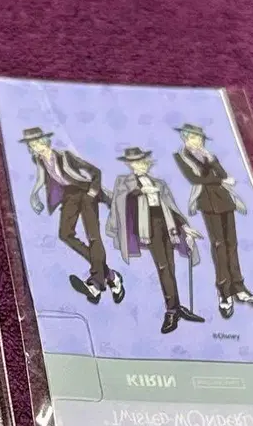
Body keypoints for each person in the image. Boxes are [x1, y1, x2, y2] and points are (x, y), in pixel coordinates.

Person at [172, 123, 253, 319]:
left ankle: (239, 288)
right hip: (208, 202)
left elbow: (224, 174)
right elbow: (194, 179)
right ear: (185, 138)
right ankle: (224, 292)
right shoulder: (181, 156)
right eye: (194, 137)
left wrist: (213, 162)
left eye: (200, 138)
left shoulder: (209, 155)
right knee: (218, 245)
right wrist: (219, 180)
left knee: (231, 244)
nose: (198, 141)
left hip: (224, 200)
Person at [106, 147, 205, 333]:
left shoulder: (159, 183)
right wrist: (141, 191)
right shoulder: (125, 182)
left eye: (142, 161)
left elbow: (171, 207)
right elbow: (121, 200)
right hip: (148, 226)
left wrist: (185, 227)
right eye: (136, 162)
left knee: (170, 267)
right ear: (130, 164)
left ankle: (176, 307)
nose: (140, 165)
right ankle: (171, 311)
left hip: (167, 225)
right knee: (163, 267)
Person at [22, 126, 124, 305]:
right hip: (69, 197)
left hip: (85, 193)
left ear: (44, 141)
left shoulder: (65, 157)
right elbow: (41, 179)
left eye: (37, 142)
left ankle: (95, 283)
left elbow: (94, 171)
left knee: (93, 236)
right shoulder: (41, 161)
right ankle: (110, 276)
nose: (36, 147)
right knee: (65, 234)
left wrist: (93, 191)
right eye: (32, 145)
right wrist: (34, 194)